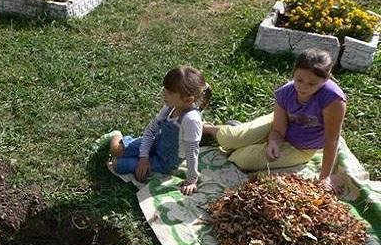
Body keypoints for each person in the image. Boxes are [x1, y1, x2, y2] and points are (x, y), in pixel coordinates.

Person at [202, 48, 346, 193]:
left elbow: (331, 139)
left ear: (326, 78)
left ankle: (241, 136)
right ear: (294, 72)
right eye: (299, 80)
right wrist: (274, 142)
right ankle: (208, 128)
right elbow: (278, 129)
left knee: (243, 160)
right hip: (279, 124)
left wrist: (324, 177)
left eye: (312, 84)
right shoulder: (285, 92)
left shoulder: (333, 99)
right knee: (229, 138)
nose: (303, 87)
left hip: (301, 147)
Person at [109, 66, 211, 195]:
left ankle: (129, 148)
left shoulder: (191, 120)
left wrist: (191, 180)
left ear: (188, 99)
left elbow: (192, 153)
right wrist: (144, 157)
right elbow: (150, 131)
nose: (164, 94)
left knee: (118, 165)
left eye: (169, 92)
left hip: (166, 162)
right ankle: (118, 135)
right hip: (156, 143)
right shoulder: (170, 106)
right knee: (115, 150)